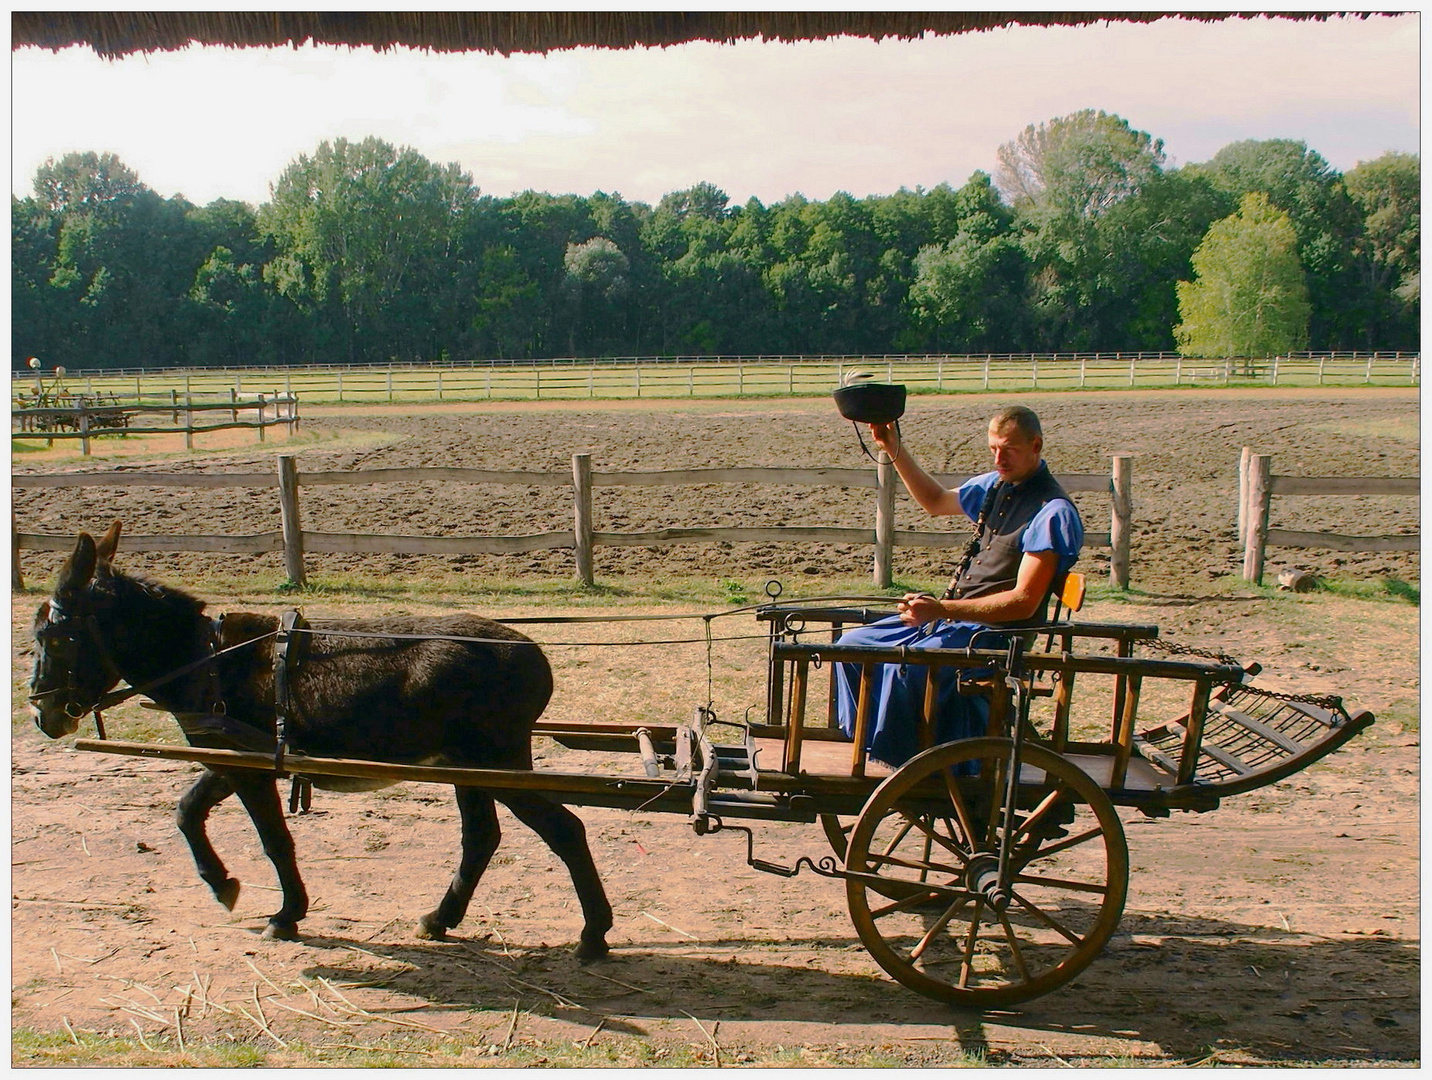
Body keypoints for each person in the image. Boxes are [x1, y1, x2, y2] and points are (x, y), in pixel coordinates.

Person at [834, 405, 1083, 766]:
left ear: (1036, 445)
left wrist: (940, 609)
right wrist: (893, 446)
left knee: (906, 667)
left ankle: (910, 763)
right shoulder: (995, 486)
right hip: (955, 624)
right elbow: (935, 502)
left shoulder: (1051, 512)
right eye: (994, 448)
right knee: (851, 645)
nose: (999, 458)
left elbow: (1023, 603)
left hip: (996, 638)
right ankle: (873, 743)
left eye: (1009, 449)